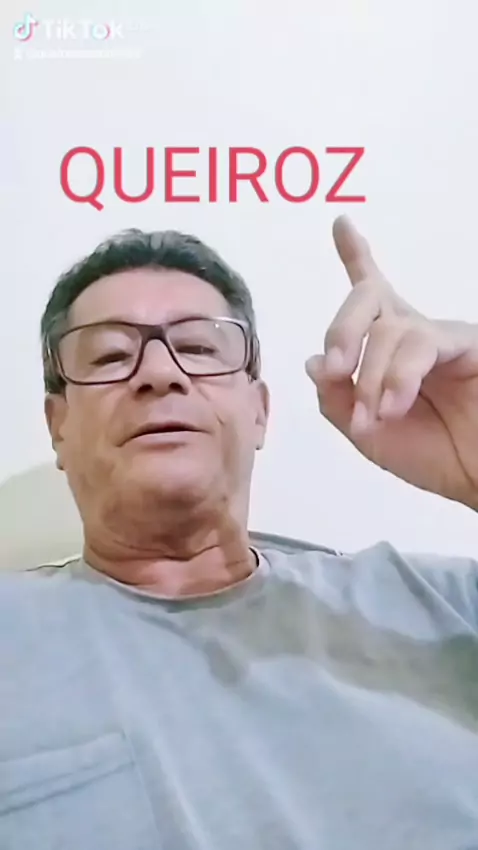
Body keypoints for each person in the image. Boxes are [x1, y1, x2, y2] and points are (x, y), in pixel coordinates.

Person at [1, 216, 477, 850]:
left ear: (260, 411)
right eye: (112, 356)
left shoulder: (443, 604)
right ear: (57, 426)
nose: (160, 373)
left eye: (199, 348)